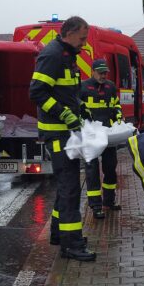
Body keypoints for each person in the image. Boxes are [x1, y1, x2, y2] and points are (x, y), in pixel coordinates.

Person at [28, 16, 96, 262]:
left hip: (66, 133)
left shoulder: (68, 56)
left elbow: (66, 92)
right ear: (68, 33)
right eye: (82, 38)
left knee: (67, 187)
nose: (84, 43)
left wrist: (80, 107)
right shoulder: (53, 55)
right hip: (57, 133)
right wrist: (64, 113)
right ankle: (71, 244)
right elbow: (36, 92)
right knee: (69, 189)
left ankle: (59, 234)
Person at [81, 58, 123, 219]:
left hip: (108, 135)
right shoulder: (83, 87)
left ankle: (109, 201)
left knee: (110, 168)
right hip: (90, 136)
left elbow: (116, 104)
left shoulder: (110, 87)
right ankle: (96, 206)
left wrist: (118, 113)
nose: (103, 75)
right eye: (100, 72)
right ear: (92, 71)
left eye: (105, 72)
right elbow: (76, 105)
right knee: (92, 172)